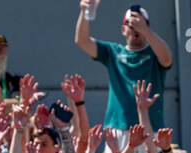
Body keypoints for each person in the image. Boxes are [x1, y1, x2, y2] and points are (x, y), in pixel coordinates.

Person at [74, 2, 172, 143]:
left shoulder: (155, 53)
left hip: (150, 129)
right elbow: (82, 41)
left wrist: (145, 31)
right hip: (117, 131)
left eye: (140, 24)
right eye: (130, 25)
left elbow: (167, 59)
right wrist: (84, 12)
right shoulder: (113, 52)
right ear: (123, 30)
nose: (135, 29)